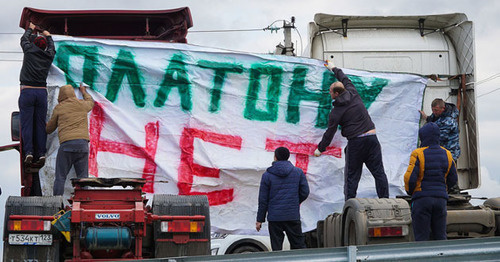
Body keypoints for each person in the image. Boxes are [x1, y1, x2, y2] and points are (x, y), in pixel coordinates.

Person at [314, 61, 389, 200]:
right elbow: (344, 78)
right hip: (372, 138)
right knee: (379, 173)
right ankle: (385, 200)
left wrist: (320, 149)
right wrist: (334, 68)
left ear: (336, 93)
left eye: (330, 91)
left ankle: (350, 205)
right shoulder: (353, 92)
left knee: (352, 177)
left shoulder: (336, 112)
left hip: (356, 143)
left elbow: (330, 133)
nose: (329, 93)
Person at [404, 122, 457, 241]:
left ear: (423, 136)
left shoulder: (418, 153)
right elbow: (453, 178)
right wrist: (443, 189)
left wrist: (410, 191)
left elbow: (410, 178)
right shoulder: (447, 154)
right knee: (440, 236)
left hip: (422, 199)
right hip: (440, 201)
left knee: (422, 237)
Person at [256, 147, 310, 251]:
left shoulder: (267, 175)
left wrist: (259, 220)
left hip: (275, 218)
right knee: (299, 247)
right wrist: (295, 202)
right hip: (292, 215)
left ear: (275, 157)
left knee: (277, 249)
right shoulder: (298, 172)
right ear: (288, 157)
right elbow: (305, 192)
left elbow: (263, 199)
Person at [47, 83, 94, 196]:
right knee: (83, 178)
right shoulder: (81, 104)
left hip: (67, 146)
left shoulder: (59, 108)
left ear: (61, 96)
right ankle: (83, 203)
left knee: (60, 177)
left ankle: (56, 202)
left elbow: (49, 129)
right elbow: (91, 102)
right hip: (82, 145)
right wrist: (83, 91)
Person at [19, 22, 56, 165]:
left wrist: (30, 29)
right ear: (44, 46)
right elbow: (52, 48)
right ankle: (41, 154)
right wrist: (49, 36)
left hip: (27, 91)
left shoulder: (29, 50)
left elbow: (23, 40)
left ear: (33, 43)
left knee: (27, 124)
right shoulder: (48, 56)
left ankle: (28, 152)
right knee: (41, 125)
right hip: (41, 93)